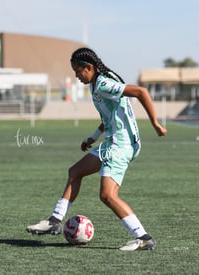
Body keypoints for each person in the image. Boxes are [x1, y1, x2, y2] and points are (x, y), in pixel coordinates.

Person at [26, 48, 167, 251]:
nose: (76, 76)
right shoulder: (96, 83)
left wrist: (155, 124)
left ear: (89, 67)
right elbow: (108, 117)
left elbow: (141, 92)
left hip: (121, 145)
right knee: (75, 172)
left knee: (107, 196)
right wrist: (92, 137)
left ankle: (143, 237)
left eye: (77, 71)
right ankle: (54, 221)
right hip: (114, 143)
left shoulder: (102, 83)